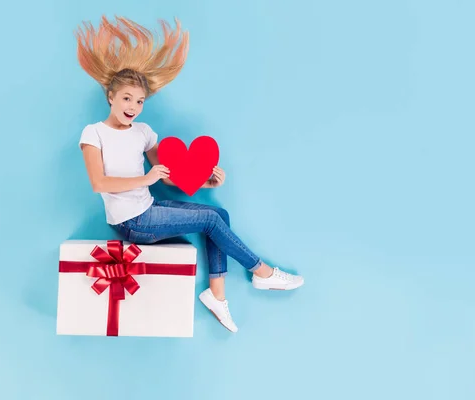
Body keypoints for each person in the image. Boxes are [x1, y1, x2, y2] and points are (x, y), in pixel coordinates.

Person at [75, 15, 304, 333]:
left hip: (149, 210)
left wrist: (204, 181)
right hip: (132, 222)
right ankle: (261, 271)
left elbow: (168, 176)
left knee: (218, 213)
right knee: (211, 221)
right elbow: (98, 183)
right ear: (110, 97)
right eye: (126, 98)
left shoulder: (143, 131)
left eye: (139, 101)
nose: (133, 107)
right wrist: (146, 179)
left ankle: (217, 294)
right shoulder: (94, 133)